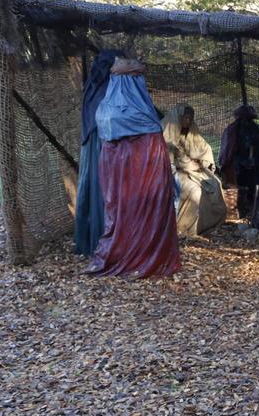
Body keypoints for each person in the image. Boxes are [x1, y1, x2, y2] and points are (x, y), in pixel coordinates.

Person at [86, 58, 181, 278]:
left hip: (114, 177)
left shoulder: (104, 110)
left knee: (118, 213)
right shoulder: (142, 112)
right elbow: (154, 155)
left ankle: (120, 251)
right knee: (144, 209)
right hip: (143, 177)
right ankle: (145, 254)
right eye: (138, 79)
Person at [74, 49, 119, 256]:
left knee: (98, 192)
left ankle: (99, 238)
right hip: (102, 149)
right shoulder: (104, 90)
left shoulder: (93, 88)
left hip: (95, 149)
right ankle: (103, 240)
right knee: (103, 193)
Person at [161, 103, 227, 237]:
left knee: (215, 183)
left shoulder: (191, 130)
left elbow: (203, 146)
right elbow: (168, 158)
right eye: (186, 118)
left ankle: (209, 224)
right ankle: (185, 228)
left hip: (192, 168)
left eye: (190, 118)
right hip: (171, 171)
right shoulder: (166, 131)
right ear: (178, 117)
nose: (188, 121)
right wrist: (188, 164)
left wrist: (203, 161)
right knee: (194, 191)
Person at [218, 104, 259, 219]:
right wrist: (242, 161)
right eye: (243, 120)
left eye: (249, 120)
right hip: (239, 168)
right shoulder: (231, 133)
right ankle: (241, 204)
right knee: (235, 175)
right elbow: (227, 156)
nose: (246, 123)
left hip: (258, 166)